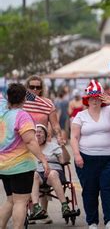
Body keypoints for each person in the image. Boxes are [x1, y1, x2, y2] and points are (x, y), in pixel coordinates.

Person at [70, 80, 110, 229]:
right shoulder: (80, 116)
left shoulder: (109, 110)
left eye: (98, 97)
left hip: (109, 158)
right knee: (90, 191)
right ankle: (92, 222)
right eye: (92, 98)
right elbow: (74, 137)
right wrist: (77, 155)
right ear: (87, 99)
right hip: (86, 159)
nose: (95, 100)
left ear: (102, 99)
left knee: (108, 189)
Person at [0, 83, 50, 229]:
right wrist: (43, 159)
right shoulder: (22, 116)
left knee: (10, 200)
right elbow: (30, 141)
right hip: (20, 167)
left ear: (9, 98)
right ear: (24, 99)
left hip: (4, 166)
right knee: (21, 202)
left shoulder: (3, 115)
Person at [29, 124, 72, 221]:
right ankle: (36, 207)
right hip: (38, 174)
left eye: (40, 132)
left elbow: (64, 160)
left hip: (54, 172)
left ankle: (65, 206)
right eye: (35, 133)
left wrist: (63, 147)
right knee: (33, 175)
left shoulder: (53, 146)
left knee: (52, 174)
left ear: (46, 135)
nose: (38, 134)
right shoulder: (30, 149)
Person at [23, 75, 65, 146]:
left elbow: (55, 125)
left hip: (42, 142)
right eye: (32, 87)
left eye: (38, 87)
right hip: (24, 142)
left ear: (41, 89)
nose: (35, 89)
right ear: (27, 87)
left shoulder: (47, 103)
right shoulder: (21, 102)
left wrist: (59, 136)